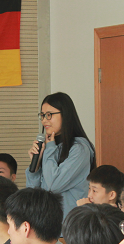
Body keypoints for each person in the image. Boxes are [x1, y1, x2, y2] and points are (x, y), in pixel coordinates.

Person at [26, 92, 96, 220]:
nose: (44, 120)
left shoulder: (79, 149)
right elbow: (33, 195)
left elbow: (53, 185)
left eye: (49, 115)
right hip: (47, 223)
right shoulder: (50, 147)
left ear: (65, 114)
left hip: (70, 225)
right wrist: (35, 168)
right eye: (42, 115)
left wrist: (49, 149)